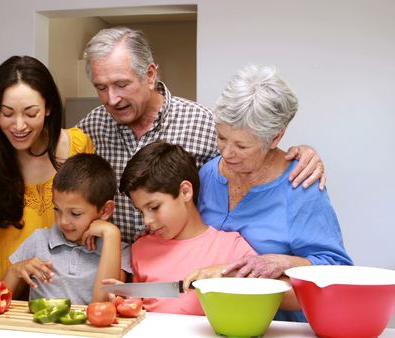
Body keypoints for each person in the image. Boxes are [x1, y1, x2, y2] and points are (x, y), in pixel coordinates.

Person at [77, 27, 326, 244]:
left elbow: (256, 152)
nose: (111, 98)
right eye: (101, 87)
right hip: (111, 267)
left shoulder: (204, 123)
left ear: (150, 75)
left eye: (121, 84)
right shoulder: (90, 128)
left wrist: (303, 154)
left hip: (181, 270)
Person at [197, 64, 352, 321]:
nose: (226, 153)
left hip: (282, 327)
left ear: (275, 137)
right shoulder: (207, 175)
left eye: (242, 145)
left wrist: (282, 261)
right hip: (218, 321)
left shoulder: (300, 185)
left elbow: (339, 269)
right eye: (221, 137)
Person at [0, 56, 95, 296]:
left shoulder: (79, 147)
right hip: (5, 303)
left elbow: (93, 232)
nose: (18, 125)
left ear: (48, 108)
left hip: (66, 301)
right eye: (7, 114)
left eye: (30, 113)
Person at [109, 141, 300, 315]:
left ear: (185, 191)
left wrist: (236, 279)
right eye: (141, 211)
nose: (147, 220)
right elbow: (140, 311)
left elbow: (294, 298)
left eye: (154, 207)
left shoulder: (231, 247)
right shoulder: (141, 249)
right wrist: (127, 301)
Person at [3, 154, 131, 305]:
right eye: (57, 209)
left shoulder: (118, 250)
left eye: (75, 213)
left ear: (105, 210)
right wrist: (15, 271)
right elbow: (0, 300)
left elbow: (103, 303)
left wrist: (111, 233)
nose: (62, 221)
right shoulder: (39, 240)